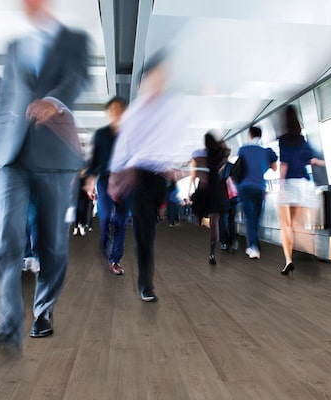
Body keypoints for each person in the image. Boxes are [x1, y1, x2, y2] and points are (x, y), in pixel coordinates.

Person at [0, 0, 89, 349]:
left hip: (55, 155)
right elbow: (3, 101)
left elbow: (77, 77)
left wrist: (54, 100)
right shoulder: (13, 47)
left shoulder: (74, 39)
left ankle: (43, 310)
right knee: (5, 239)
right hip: (13, 156)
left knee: (52, 243)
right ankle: (8, 321)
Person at [108, 51, 188, 302]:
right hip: (139, 177)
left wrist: (174, 168)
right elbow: (123, 146)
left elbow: (174, 141)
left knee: (150, 228)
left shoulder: (169, 110)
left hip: (159, 179)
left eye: (164, 77)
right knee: (145, 234)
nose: (161, 82)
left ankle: (146, 280)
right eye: (157, 76)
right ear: (145, 81)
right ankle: (146, 284)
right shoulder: (135, 112)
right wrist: (114, 178)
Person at [84, 96, 130, 275]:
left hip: (126, 184)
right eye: (113, 109)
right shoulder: (101, 134)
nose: (117, 112)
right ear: (109, 113)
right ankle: (104, 245)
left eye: (120, 108)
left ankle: (115, 260)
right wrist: (89, 184)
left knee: (121, 222)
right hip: (104, 182)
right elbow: (93, 162)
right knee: (105, 220)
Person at [277, 105, 324, 275]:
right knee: (299, 224)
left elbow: (284, 164)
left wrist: (280, 186)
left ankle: (288, 261)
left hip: (289, 183)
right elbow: (310, 159)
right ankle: (312, 253)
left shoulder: (283, 140)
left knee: (286, 225)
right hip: (303, 184)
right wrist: (323, 163)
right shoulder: (302, 140)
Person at [236, 126, 277, 259]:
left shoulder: (243, 150)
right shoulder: (266, 152)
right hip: (260, 187)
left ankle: (253, 247)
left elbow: (240, 166)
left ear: (250, 135)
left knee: (249, 217)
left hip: (245, 187)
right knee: (257, 218)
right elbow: (274, 168)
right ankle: (254, 245)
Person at [190, 133, 230, 265]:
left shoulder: (198, 154)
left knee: (199, 212)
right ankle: (212, 253)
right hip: (216, 190)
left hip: (203, 189)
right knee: (215, 223)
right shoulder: (220, 155)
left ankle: (200, 218)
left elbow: (196, 172)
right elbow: (220, 169)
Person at [73, 170, 90, 236]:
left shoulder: (86, 178)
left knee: (83, 213)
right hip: (77, 198)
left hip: (84, 198)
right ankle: (76, 227)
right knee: (77, 214)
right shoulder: (76, 178)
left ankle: (81, 227)